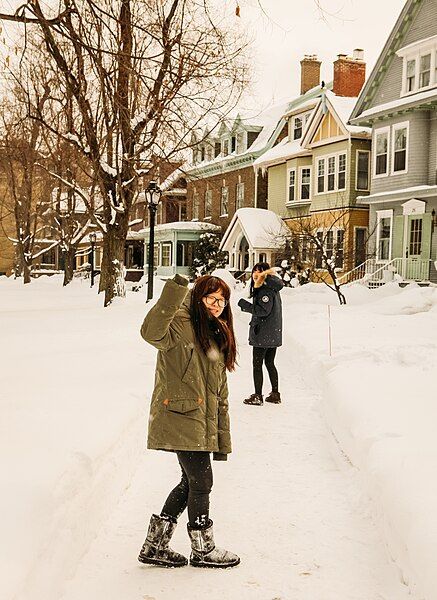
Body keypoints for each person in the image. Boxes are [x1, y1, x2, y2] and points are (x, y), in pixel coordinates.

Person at [138, 273, 240, 569]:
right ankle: (202, 548)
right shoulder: (180, 323)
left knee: (190, 481)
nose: (217, 304)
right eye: (211, 297)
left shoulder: (214, 329)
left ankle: (155, 545)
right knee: (201, 480)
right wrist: (177, 289)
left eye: (222, 300)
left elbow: (215, 385)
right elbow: (151, 332)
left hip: (201, 419)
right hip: (183, 416)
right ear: (198, 297)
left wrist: (219, 423)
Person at [238, 262, 284, 406]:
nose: (256, 274)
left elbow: (263, 311)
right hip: (272, 332)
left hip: (263, 333)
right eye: (254, 271)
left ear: (266, 274)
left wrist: (245, 305)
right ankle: (275, 394)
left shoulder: (265, 290)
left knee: (257, 364)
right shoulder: (272, 288)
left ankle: (258, 396)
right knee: (270, 363)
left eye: (260, 271)